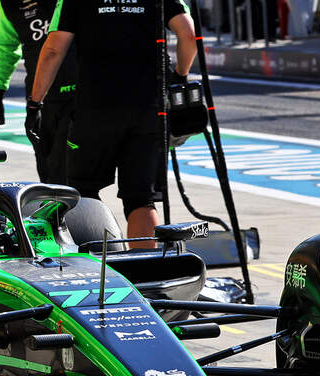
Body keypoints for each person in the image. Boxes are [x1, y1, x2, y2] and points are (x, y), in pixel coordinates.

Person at [28, 0, 196, 248]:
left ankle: (93, 272)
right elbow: (189, 35)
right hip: (148, 108)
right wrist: (180, 76)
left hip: (95, 108)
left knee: (81, 193)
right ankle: (145, 274)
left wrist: (35, 102)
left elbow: (54, 50)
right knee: (141, 199)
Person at [0, 0, 78, 185]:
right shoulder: (8, 4)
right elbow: (6, 48)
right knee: (47, 173)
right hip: (39, 99)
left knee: (64, 175)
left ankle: (81, 212)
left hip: (79, 97)